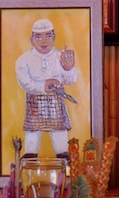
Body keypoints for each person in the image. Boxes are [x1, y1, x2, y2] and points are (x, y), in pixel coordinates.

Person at [15, 19, 78, 159]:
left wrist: (68, 68)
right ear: (31, 40)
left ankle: (64, 159)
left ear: (54, 38)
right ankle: (30, 158)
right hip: (34, 104)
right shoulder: (23, 60)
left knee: (59, 130)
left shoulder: (60, 56)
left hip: (56, 104)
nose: (43, 41)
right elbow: (25, 83)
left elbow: (72, 79)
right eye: (38, 37)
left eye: (48, 36)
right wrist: (43, 85)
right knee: (33, 132)